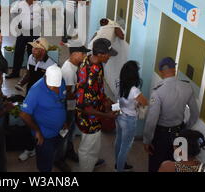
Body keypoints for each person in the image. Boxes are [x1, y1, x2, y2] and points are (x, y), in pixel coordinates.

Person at [143, 57, 200, 172]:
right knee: (179, 166)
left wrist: (147, 140)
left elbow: (151, 121)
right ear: (175, 69)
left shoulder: (158, 91)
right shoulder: (187, 87)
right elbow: (195, 114)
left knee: (157, 165)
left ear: (161, 71)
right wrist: (185, 128)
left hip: (161, 136)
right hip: (180, 134)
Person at [76, 38, 118, 172]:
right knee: (86, 149)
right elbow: (86, 108)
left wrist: (105, 100)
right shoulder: (89, 76)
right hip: (88, 119)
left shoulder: (96, 63)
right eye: (108, 54)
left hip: (96, 114)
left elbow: (98, 88)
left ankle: (92, 163)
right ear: (100, 54)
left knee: (95, 145)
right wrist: (107, 115)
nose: (110, 57)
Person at [19, 65, 67, 172]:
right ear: (45, 77)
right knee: (44, 163)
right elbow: (23, 114)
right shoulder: (36, 90)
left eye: (56, 85)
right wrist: (37, 131)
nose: (54, 88)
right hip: (44, 135)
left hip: (59, 131)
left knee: (53, 153)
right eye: (51, 85)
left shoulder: (61, 82)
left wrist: (64, 121)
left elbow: (63, 101)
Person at [57, 45, 91, 166]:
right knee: (65, 132)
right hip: (67, 107)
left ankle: (69, 151)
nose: (85, 57)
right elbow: (68, 95)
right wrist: (79, 102)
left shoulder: (71, 65)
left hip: (70, 105)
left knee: (70, 131)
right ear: (75, 54)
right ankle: (59, 159)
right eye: (83, 54)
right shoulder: (69, 71)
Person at [115, 61, 148, 172]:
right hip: (129, 119)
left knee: (118, 140)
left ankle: (118, 165)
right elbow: (145, 102)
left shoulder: (118, 82)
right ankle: (120, 169)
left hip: (119, 115)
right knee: (125, 146)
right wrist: (137, 103)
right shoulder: (135, 91)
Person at [6, 0, 45, 79]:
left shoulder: (39, 4)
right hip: (23, 31)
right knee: (19, 51)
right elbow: (12, 12)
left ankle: (33, 73)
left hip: (34, 32)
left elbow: (44, 15)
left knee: (33, 53)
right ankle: (15, 73)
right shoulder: (19, 4)